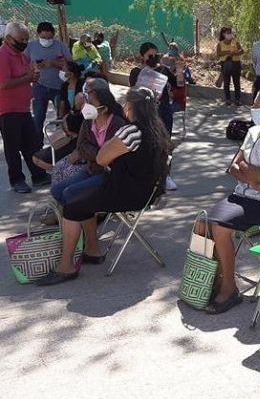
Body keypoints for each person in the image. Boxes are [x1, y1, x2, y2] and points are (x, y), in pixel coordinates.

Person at [35, 87, 172, 286]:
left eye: (126, 103)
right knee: (82, 198)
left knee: (73, 206)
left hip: (126, 192)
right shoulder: (156, 129)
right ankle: (92, 250)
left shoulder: (130, 132)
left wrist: (110, 145)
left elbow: (101, 158)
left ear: (131, 107)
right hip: (144, 191)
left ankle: (66, 267)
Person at [196, 87, 260, 314]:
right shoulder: (254, 131)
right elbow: (232, 166)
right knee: (201, 224)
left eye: (256, 105)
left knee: (220, 228)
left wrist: (247, 170)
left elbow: (259, 173)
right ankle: (212, 278)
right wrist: (252, 177)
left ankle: (229, 288)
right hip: (247, 194)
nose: (252, 109)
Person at [50, 87, 126, 205]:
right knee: (57, 190)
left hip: (109, 174)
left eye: (91, 104)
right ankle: (74, 217)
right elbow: (81, 146)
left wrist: (97, 153)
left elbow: (114, 156)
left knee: (70, 193)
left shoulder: (117, 124)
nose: (86, 106)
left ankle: (77, 218)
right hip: (91, 169)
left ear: (104, 108)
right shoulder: (88, 122)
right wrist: (100, 154)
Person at [0, 22, 49, 193]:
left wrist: (32, 76)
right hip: (7, 109)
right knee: (13, 147)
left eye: (27, 39)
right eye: (21, 39)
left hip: (23, 107)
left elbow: (27, 72)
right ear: (8, 38)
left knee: (32, 143)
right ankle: (17, 180)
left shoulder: (20, 54)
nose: (24, 42)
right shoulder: (3, 55)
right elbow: (3, 84)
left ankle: (39, 175)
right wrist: (27, 77)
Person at [129, 42, 178, 191]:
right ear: (142, 56)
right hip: (145, 114)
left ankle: (165, 176)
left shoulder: (163, 69)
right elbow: (133, 92)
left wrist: (180, 71)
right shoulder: (136, 72)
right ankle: (148, 176)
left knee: (165, 144)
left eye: (156, 55)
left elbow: (178, 84)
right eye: (150, 55)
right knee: (147, 144)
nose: (153, 58)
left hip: (163, 111)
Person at [31, 62, 87, 172]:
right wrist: (61, 120)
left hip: (77, 124)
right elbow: (62, 104)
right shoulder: (64, 86)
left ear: (70, 74)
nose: (61, 72)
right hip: (68, 122)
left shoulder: (82, 86)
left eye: (64, 69)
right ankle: (58, 171)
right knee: (41, 156)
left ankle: (60, 171)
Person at [25, 22, 72, 143]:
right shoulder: (30, 46)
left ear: (54, 35)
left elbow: (70, 64)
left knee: (62, 119)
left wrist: (53, 63)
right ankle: (36, 146)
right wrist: (34, 66)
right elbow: (23, 65)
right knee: (38, 119)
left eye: (49, 38)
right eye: (44, 37)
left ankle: (60, 145)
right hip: (39, 86)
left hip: (59, 87)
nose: (47, 40)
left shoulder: (61, 46)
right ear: (38, 34)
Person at [216, 27, 244, 106]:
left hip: (236, 64)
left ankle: (237, 100)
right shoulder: (220, 44)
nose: (230, 34)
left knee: (237, 83)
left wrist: (235, 53)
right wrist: (228, 52)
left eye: (230, 33)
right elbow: (218, 54)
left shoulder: (235, 41)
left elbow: (242, 50)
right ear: (223, 34)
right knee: (226, 82)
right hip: (225, 64)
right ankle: (228, 99)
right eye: (228, 33)